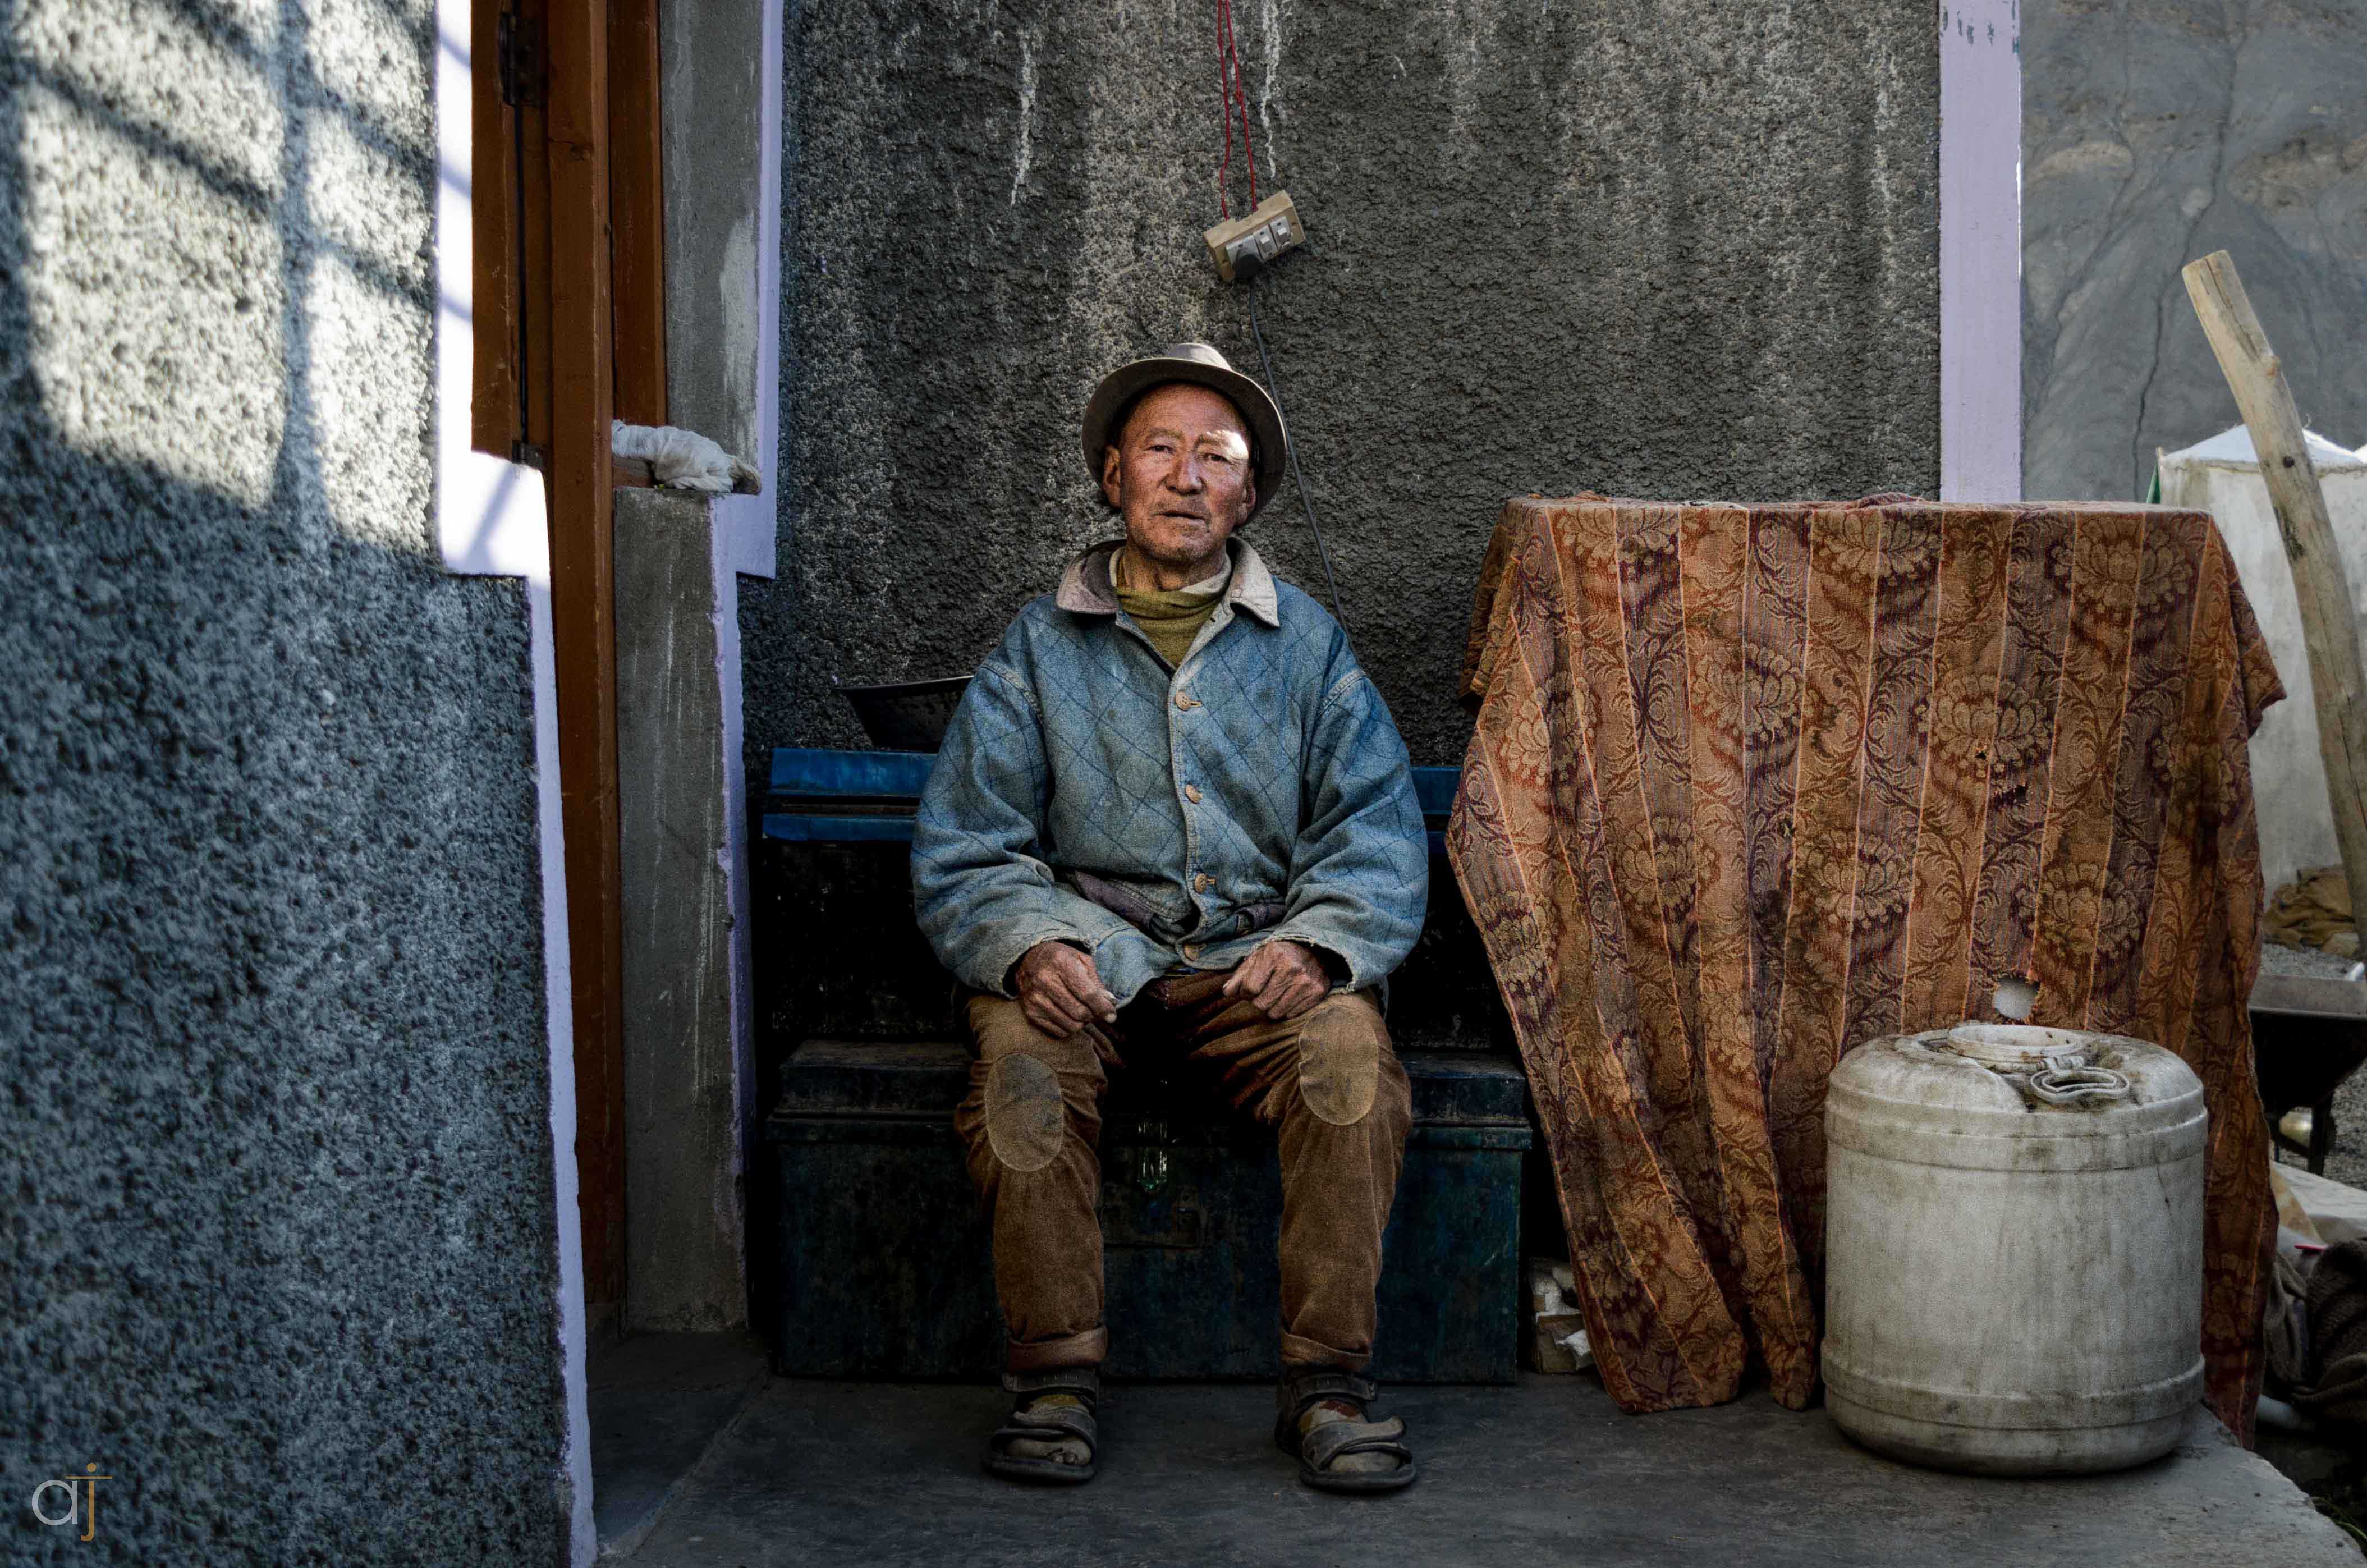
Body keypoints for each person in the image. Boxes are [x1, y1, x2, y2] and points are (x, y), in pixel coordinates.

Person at [910, 342, 1428, 1492]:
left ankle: (1327, 1387)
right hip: (1092, 960)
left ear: (1246, 495)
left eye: (1217, 458)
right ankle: (1055, 1380)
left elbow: (1378, 831)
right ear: (1112, 476)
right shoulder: (1038, 649)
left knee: (1352, 1057)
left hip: (1256, 966)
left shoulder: (1311, 646)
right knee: (1018, 1062)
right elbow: (968, 841)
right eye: (1161, 451)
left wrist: (1318, 940)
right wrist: (1030, 944)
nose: (1188, 478)